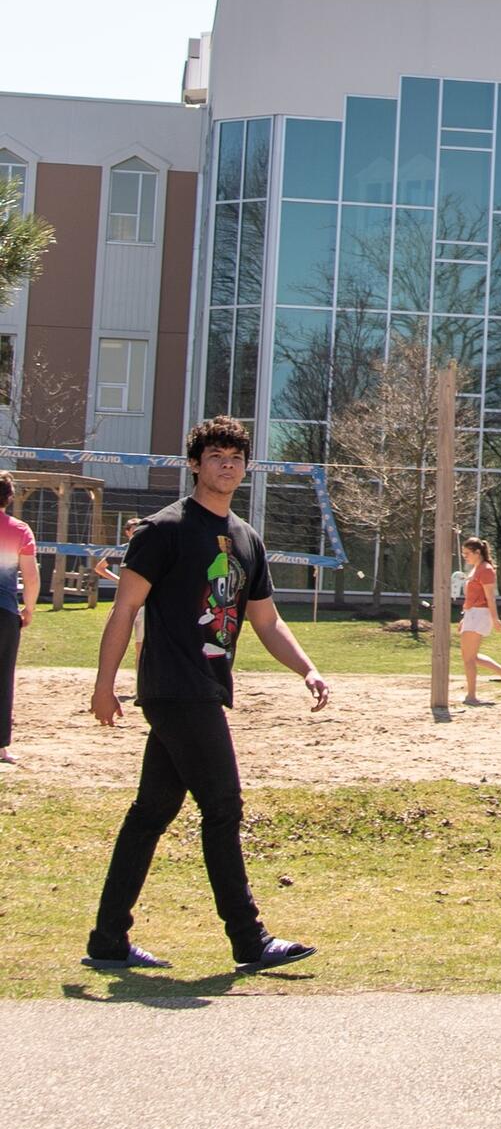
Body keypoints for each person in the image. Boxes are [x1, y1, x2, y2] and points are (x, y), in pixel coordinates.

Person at [83, 415, 330, 974]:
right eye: (216, 455)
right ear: (195, 464)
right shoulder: (163, 530)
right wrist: (104, 686)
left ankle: (107, 939)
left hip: (208, 685)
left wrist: (307, 669)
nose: (227, 464)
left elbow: (267, 622)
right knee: (222, 805)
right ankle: (248, 938)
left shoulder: (247, 539)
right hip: (174, 686)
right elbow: (124, 610)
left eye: (236, 457)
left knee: (152, 811)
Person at [0, 473, 40, 768]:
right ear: (9, 497)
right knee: (3, 679)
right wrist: (29, 608)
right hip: (4, 611)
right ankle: (0, 748)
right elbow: (31, 576)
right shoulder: (19, 529)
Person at [458, 535, 501, 704]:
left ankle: (472, 695)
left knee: (468, 658)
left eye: (467, 553)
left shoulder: (486, 570)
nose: (464, 556)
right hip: (472, 613)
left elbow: (490, 597)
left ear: (477, 552)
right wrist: (464, 617)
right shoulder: (476, 568)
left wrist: (495, 619)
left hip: (479, 614)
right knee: (470, 656)